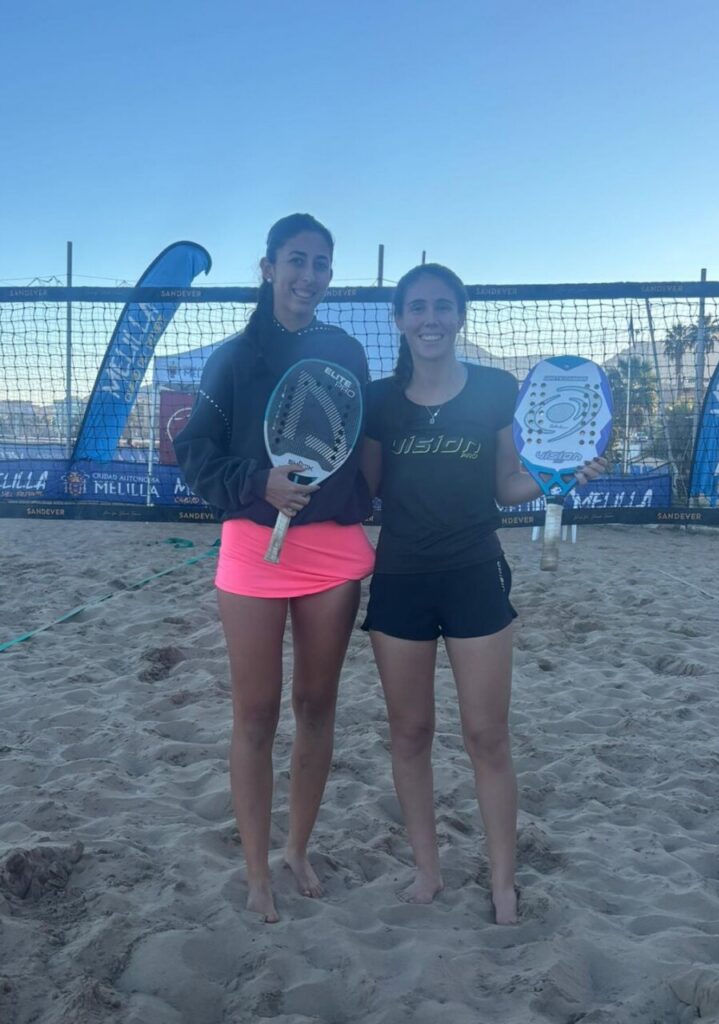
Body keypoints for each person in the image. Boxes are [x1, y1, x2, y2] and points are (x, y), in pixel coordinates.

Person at [360, 264, 605, 925]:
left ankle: (501, 882)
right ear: (400, 319)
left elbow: (507, 485)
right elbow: (366, 490)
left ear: (460, 314)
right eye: (417, 307)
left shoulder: (497, 389)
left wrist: (562, 480)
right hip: (400, 581)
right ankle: (427, 870)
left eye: (442, 305)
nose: (430, 317)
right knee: (409, 733)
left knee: (485, 736)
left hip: (474, 572)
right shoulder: (381, 400)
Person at [175, 214, 374, 923]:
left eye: (321, 262)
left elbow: (362, 444)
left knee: (315, 708)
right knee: (254, 713)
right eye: (296, 260)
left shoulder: (345, 349)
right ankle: (257, 870)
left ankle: (295, 850)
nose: (309, 275)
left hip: (333, 552)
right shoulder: (230, 357)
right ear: (266, 268)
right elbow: (194, 452)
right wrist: (257, 483)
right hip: (252, 549)